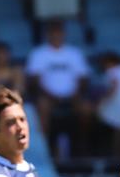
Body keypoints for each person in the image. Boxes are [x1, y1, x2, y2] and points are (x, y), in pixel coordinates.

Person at [25, 19, 91, 159]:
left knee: (86, 109)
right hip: (48, 97)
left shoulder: (74, 53)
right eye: (52, 32)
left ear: (64, 34)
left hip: (72, 96)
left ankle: (82, 150)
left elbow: (83, 78)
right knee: (42, 107)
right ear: (47, 34)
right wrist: (51, 96)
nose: (56, 35)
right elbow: (34, 81)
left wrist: (74, 94)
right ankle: (45, 150)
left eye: (59, 32)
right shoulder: (39, 54)